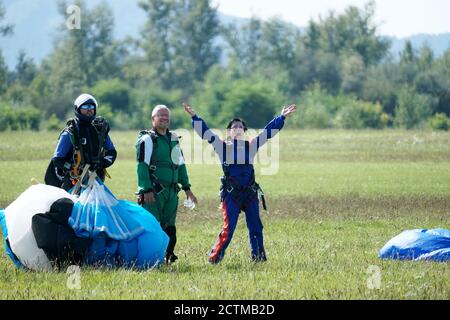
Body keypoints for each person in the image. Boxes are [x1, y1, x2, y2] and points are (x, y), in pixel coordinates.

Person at [183, 102, 296, 264]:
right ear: (228, 132)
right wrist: (195, 117)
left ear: (244, 131)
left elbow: (267, 133)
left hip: (250, 194)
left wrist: (282, 117)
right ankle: (214, 259)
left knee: (256, 227)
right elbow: (206, 133)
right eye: (233, 127)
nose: (237, 128)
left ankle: (258, 258)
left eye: (240, 127)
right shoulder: (221, 146)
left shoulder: (251, 145)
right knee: (229, 229)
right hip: (231, 194)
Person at [135, 105, 197, 264]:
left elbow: (180, 165)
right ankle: (148, 261)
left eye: (166, 116)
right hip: (153, 193)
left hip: (171, 192)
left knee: (170, 228)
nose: (164, 118)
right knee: (151, 227)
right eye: (160, 115)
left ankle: (167, 258)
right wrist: (146, 189)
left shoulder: (173, 139)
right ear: (153, 119)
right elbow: (142, 166)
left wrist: (187, 188)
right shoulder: (147, 140)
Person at [45, 93, 117, 192]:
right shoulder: (70, 133)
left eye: (92, 106)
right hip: (73, 184)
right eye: (85, 106)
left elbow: (111, 152)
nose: (89, 109)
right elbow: (58, 159)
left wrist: (101, 164)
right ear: (78, 109)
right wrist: (73, 169)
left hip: (96, 181)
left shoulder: (99, 130)